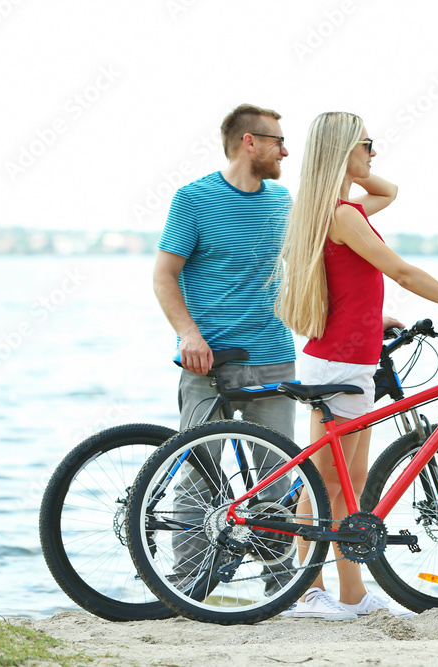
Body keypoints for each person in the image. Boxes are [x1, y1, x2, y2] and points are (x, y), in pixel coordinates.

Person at [275, 111, 438, 620]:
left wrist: (370, 318)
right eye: (367, 145)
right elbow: (399, 269)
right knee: (329, 483)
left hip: (349, 359)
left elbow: (388, 192)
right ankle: (309, 593)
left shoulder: (328, 210)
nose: (374, 154)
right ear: (341, 150)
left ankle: (348, 595)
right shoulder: (343, 215)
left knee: (344, 483)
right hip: (337, 365)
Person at [153, 103, 297, 594]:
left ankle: (282, 589)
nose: (285, 149)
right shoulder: (193, 198)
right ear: (248, 142)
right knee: (198, 476)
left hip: (273, 353)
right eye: (277, 140)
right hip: (207, 360)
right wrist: (188, 334)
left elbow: (309, 273)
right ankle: (186, 587)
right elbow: (164, 275)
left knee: (277, 478)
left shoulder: (284, 202)